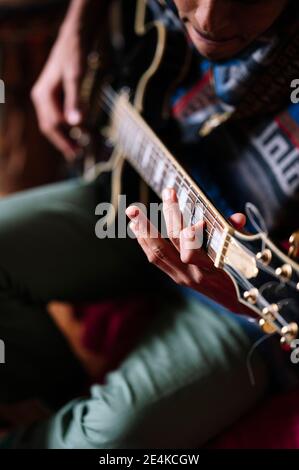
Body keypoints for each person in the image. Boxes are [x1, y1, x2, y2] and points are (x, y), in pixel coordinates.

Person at [0, 0, 299, 448]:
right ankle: (50, 397)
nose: (208, 21)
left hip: (244, 291)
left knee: (107, 442)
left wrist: (248, 304)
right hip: (132, 197)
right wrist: (74, 33)